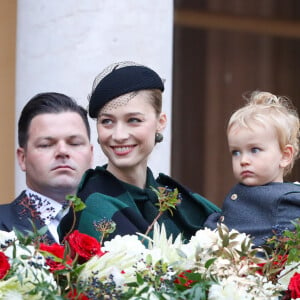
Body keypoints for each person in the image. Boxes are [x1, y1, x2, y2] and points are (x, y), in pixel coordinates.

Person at [59, 61, 220, 243]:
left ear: (160, 122)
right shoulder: (94, 204)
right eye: (107, 121)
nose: (119, 135)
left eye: (133, 120)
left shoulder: (176, 199)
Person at [204, 91, 300, 247]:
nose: (243, 160)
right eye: (236, 152)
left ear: (284, 156)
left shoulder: (286, 200)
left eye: (254, 150)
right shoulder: (242, 191)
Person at [0, 92, 93, 244]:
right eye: (46, 145)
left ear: (91, 155)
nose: (62, 151)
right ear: (22, 158)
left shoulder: (112, 227)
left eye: (75, 143)